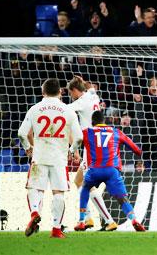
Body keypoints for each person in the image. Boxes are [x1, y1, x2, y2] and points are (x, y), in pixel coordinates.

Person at [18, 78, 83, 238]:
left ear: (43, 92)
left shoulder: (35, 109)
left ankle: (34, 213)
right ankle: (55, 229)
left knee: (35, 188)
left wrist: (28, 148)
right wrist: (72, 149)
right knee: (58, 193)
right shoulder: (68, 110)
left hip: (39, 156)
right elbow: (79, 137)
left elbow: (21, 133)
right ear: (61, 92)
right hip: (59, 159)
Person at [73, 111, 145, 232]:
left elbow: (77, 140)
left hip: (94, 169)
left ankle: (82, 221)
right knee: (122, 198)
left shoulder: (87, 132)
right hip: (112, 170)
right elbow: (135, 148)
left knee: (85, 189)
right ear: (104, 121)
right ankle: (134, 220)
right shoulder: (116, 132)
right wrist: (139, 153)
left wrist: (72, 151)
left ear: (92, 122)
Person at [67, 76, 117, 231]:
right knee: (78, 181)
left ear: (75, 91)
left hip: (91, 146)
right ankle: (88, 219)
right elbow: (90, 87)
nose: (71, 96)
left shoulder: (81, 102)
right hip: (99, 142)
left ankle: (109, 221)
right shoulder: (92, 95)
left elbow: (65, 110)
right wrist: (83, 82)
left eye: (71, 93)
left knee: (88, 184)